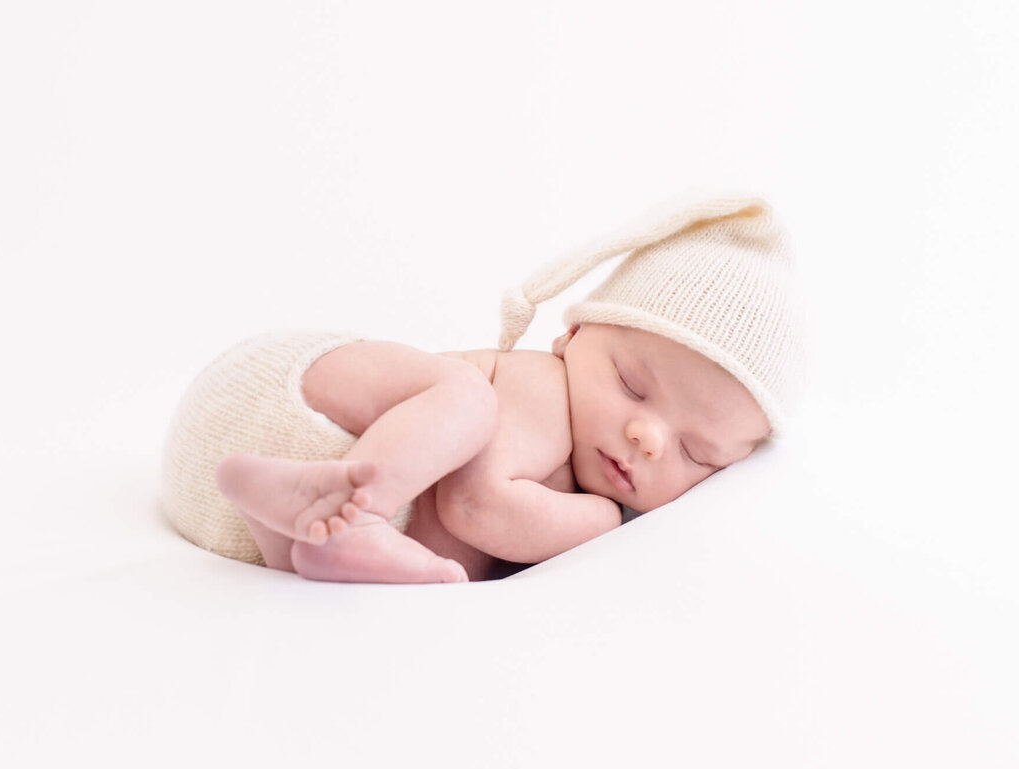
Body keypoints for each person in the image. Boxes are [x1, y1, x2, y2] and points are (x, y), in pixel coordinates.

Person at [160, 193, 806, 583]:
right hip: (275, 390)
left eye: (698, 453)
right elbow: (474, 506)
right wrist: (602, 520)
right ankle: (364, 505)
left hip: (261, 496)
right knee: (466, 396)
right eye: (633, 385)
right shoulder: (543, 388)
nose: (648, 436)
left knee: (422, 567)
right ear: (569, 340)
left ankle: (309, 533)